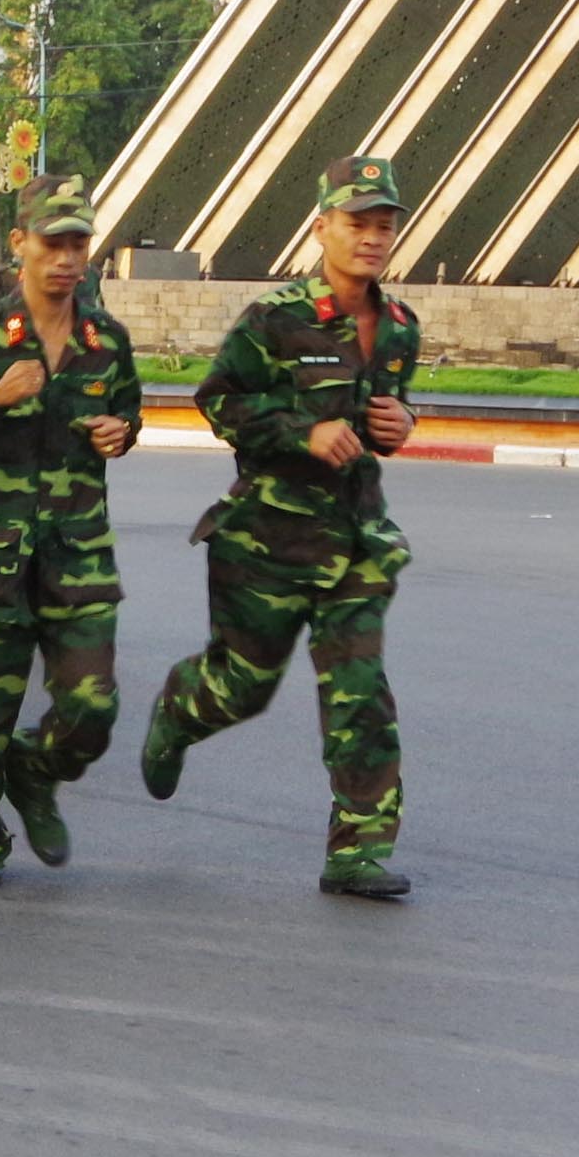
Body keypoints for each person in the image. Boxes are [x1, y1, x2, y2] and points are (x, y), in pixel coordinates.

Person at [144, 155, 421, 900]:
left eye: (383, 225)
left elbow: (381, 419)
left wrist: (400, 423)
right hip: (269, 538)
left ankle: (357, 849)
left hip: (357, 540)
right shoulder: (275, 319)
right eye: (356, 223)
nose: (371, 238)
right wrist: (301, 432)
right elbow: (218, 401)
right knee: (245, 686)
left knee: (361, 690)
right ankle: (178, 709)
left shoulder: (397, 327)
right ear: (322, 226)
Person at [0, 173, 141, 887]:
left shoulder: (106, 340)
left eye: (80, 244)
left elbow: (128, 417)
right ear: (20, 245)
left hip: (78, 555)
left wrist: (119, 433)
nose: (68, 259)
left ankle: (35, 774)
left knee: (91, 708)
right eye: (54, 243)